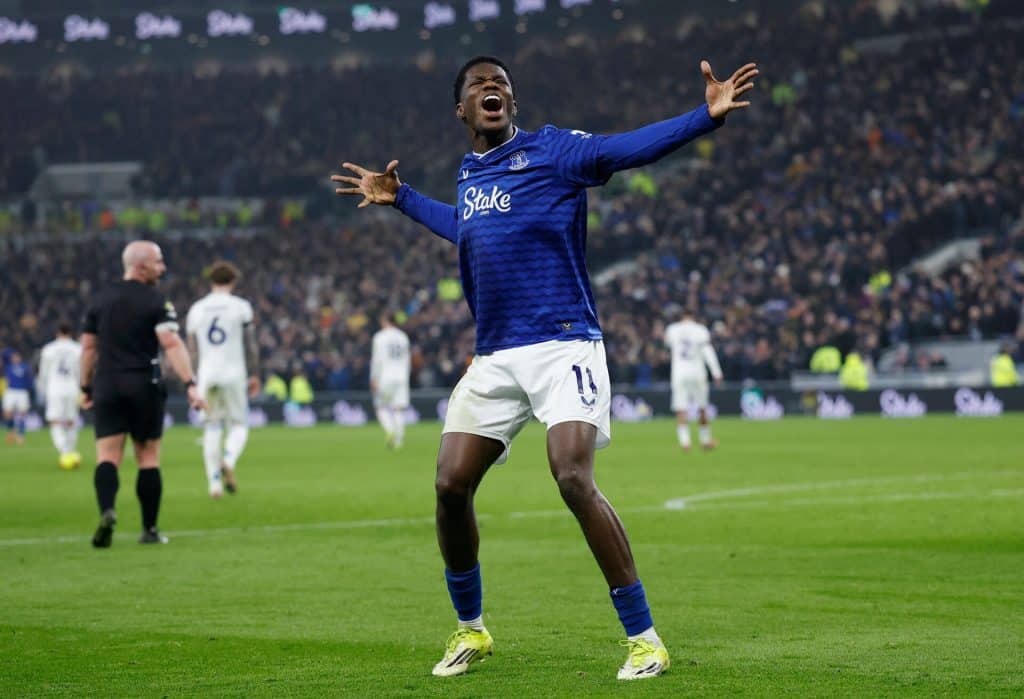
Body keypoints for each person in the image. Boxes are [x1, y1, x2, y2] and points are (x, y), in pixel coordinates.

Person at [332, 54, 757, 679]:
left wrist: (705, 117)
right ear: (461, 109)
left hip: (564, 345)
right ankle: (471, 630)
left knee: (571, 477)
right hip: (496, 355)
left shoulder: (554, 151)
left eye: (500, 83)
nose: (491, 88)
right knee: (450, 486)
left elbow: (623, 149)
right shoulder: (470, 173)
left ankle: (644, 639)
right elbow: (469, 229)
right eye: (478, 84)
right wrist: (401, 199)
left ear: (512, 102)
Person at [80, 240, 205, 548]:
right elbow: (171, 344)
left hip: (107, 383)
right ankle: (149, 530)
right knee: (148, 458)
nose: (162, 268)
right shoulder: (156, 301)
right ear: (140, 265)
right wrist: (190, 383)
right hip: (143, 384)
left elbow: (88, 349)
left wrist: (85, 387)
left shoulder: (100, 300)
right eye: (158, 262)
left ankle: (107, 510)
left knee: (107, 456)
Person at [186, 261, 260, 498]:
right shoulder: (240, 307)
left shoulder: (197, 309)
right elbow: (250, 344)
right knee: (238, 425)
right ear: (233, 281)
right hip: (234, 373)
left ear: (211, 281)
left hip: (207, 374)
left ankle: (214, 484)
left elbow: (192, 348)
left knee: (211, 426)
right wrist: (255, 373)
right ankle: (228, 458)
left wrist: (193, 379)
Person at [664, 309, 723, 451]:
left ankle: (685, 442)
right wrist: (716, 372)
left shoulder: (672, 329)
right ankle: (705, 440)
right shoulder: (700, 330)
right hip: (697, 371)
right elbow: (707, 351)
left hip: (679, 372)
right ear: (693, 317)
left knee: (681, 408)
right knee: (702, 407)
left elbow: (667, 344)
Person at [38, 323, 83, 468]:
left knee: (55, 420)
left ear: (57, 333)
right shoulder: (78, 348)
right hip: (72, 387)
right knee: (71, 420)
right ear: (70, 333)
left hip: (54, 388)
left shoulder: (48, 349)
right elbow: (81, 371)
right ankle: (70, 450)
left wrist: (42, 390)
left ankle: (64, 451)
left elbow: (43, 373)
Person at [370, 312, 411, 449]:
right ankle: (399, 441)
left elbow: (377, 360)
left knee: (380, 407)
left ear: (385, 321)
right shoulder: (403, 337)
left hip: (385, 375)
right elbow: (407, 360)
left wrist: (374, 378)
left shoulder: (379, 337)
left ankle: (390, 431)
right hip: (402, 376)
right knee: (398, 409)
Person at [2, 348, 33, 446]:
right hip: (10, 391)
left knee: (22, 414)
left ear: (20, 357)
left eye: (16, 356)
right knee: (7, 412)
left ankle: (20, 435)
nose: (15, 358)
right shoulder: (8, 367)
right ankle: (11, 431)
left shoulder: (25, 367)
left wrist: (29, 391)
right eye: (13, 356)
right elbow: (3, 353)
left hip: (22, 392)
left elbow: (30, 381)